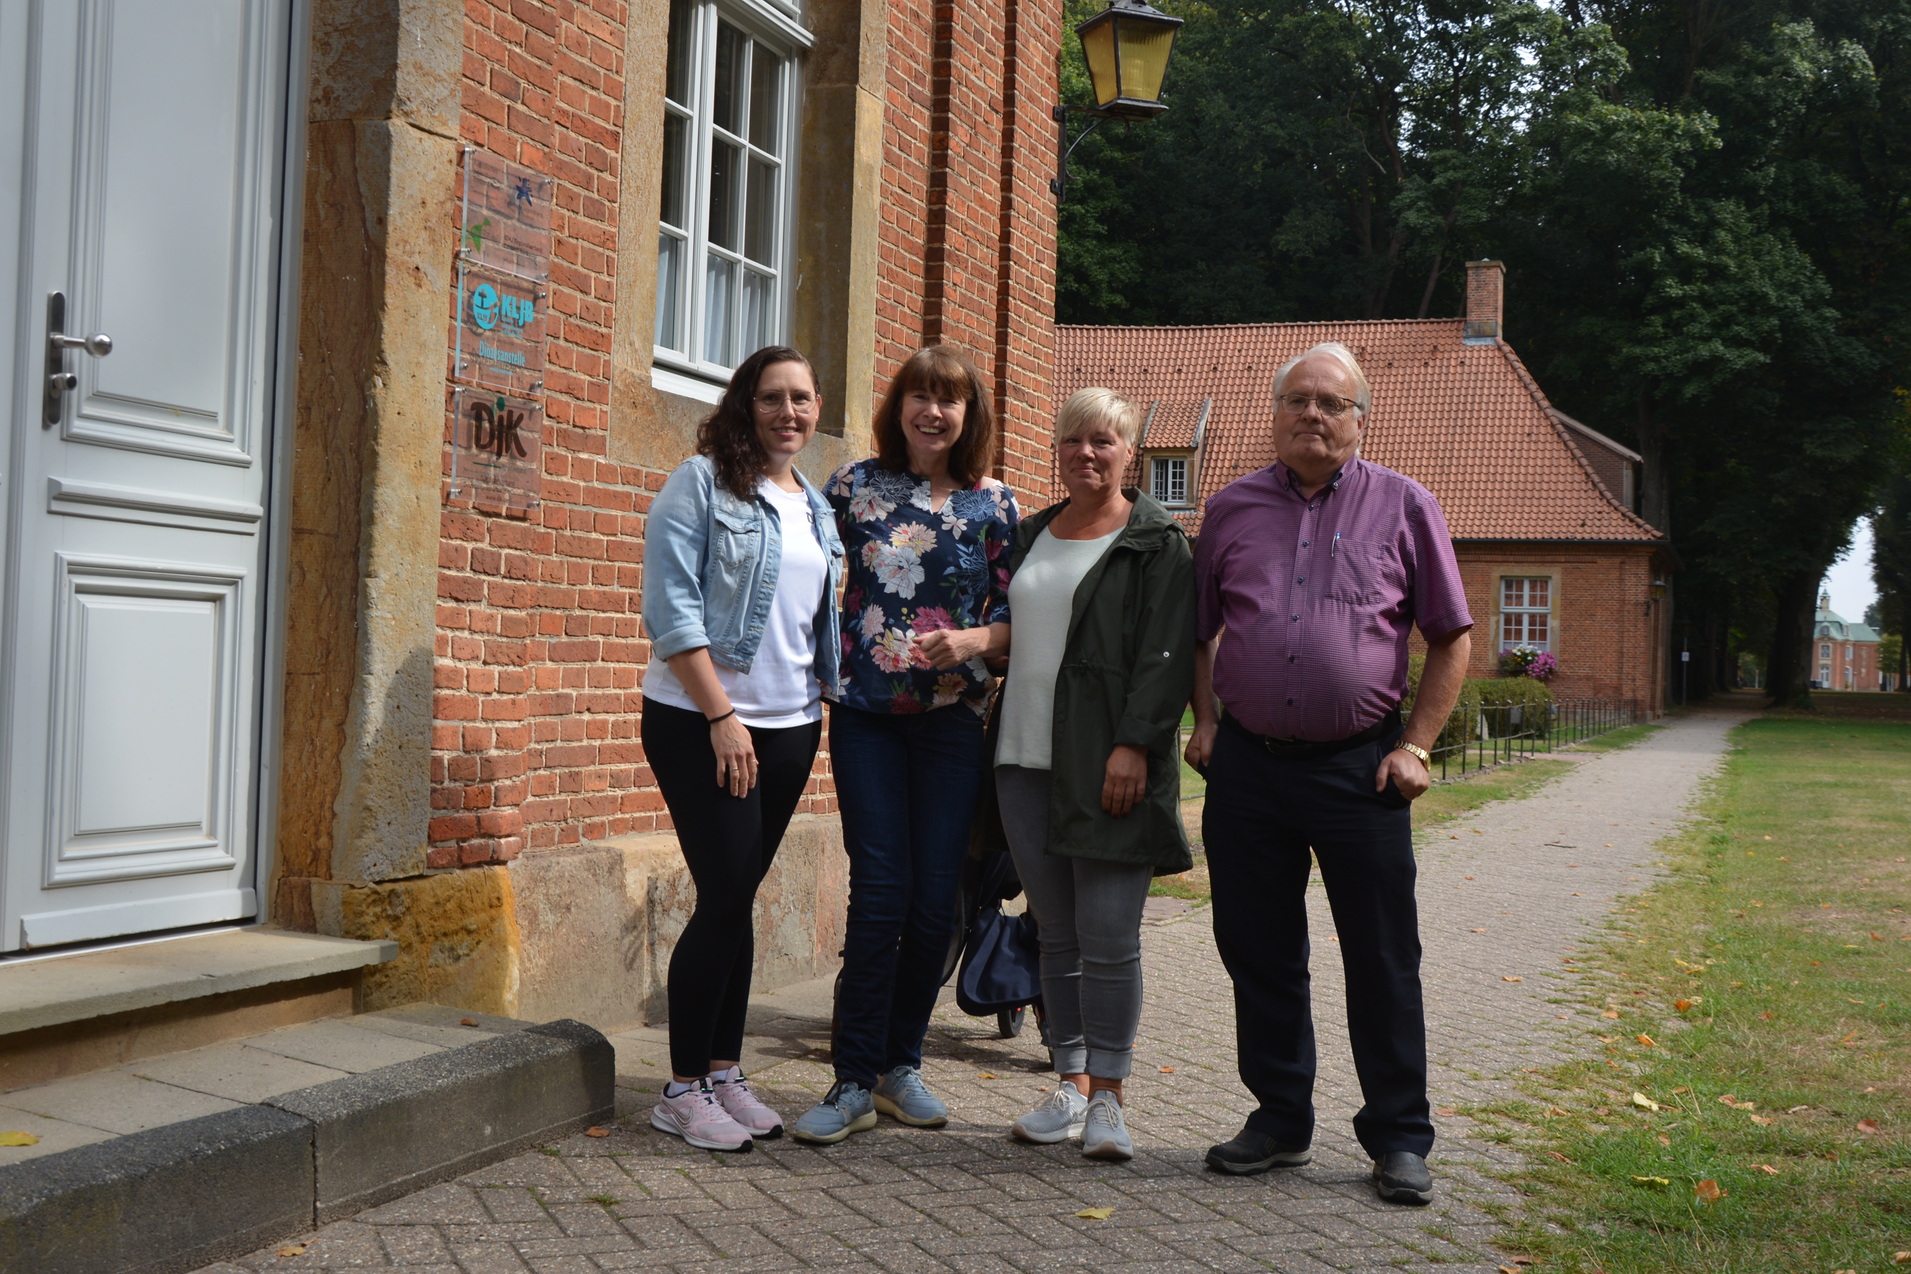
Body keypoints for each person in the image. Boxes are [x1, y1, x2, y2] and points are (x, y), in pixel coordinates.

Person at [1183, 341, 1473, 1205]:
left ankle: (1398, 1136)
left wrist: (1415, 746)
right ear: (1273, 412)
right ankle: (1278, 1119)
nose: (1313, 414)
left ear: (1359, 420)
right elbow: (1199, 631)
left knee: (1381, 957)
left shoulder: (1404, 505)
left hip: (1361, 772)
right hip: (1248, 772)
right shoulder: (1229, 509)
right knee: (1258, 950)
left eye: (1332, 403)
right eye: (1298, 399)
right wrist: (1203, 720)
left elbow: (1450, 635)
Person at [791, 345, 1019, 1144]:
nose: (932, 411)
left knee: (933, 906)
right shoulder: (855, 486)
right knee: (880, 893)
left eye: (948, 400)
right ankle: (851, 1078)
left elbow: (1021, 620)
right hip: (866, 718)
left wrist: (975, 641)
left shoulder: (996, 506)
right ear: (900, 407)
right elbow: (807, 578)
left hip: (952, 724)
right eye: (919, 396)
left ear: (968, 415)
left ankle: (900, 1066)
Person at [639, 346, 844, 1153]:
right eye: (771, 398)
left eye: (800, 398)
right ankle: (681, 1089)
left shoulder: (816, 507)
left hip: (792, 724)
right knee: (724, 895)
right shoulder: (701, 482)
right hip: (703, 722)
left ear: (817, 407)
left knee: (740, 897)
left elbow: (809, 624)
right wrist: (721, 713)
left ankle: (724, 1071)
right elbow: (669, 605)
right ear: (743, 404)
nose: (787, 412)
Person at [982, 388, 1196, 1161]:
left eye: (1103, 441)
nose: (1086, 454)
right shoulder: (1033, 531)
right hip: (1023, 759)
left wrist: (1135, 745)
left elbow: (1165, 653)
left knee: (1109, 937)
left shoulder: (1155, 541)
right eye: (1073, 440)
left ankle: (1109, 1096)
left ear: (1128, 451)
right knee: (1057, 934)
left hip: (1108, 764)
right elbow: (1016, 633)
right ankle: (1068, 1082)